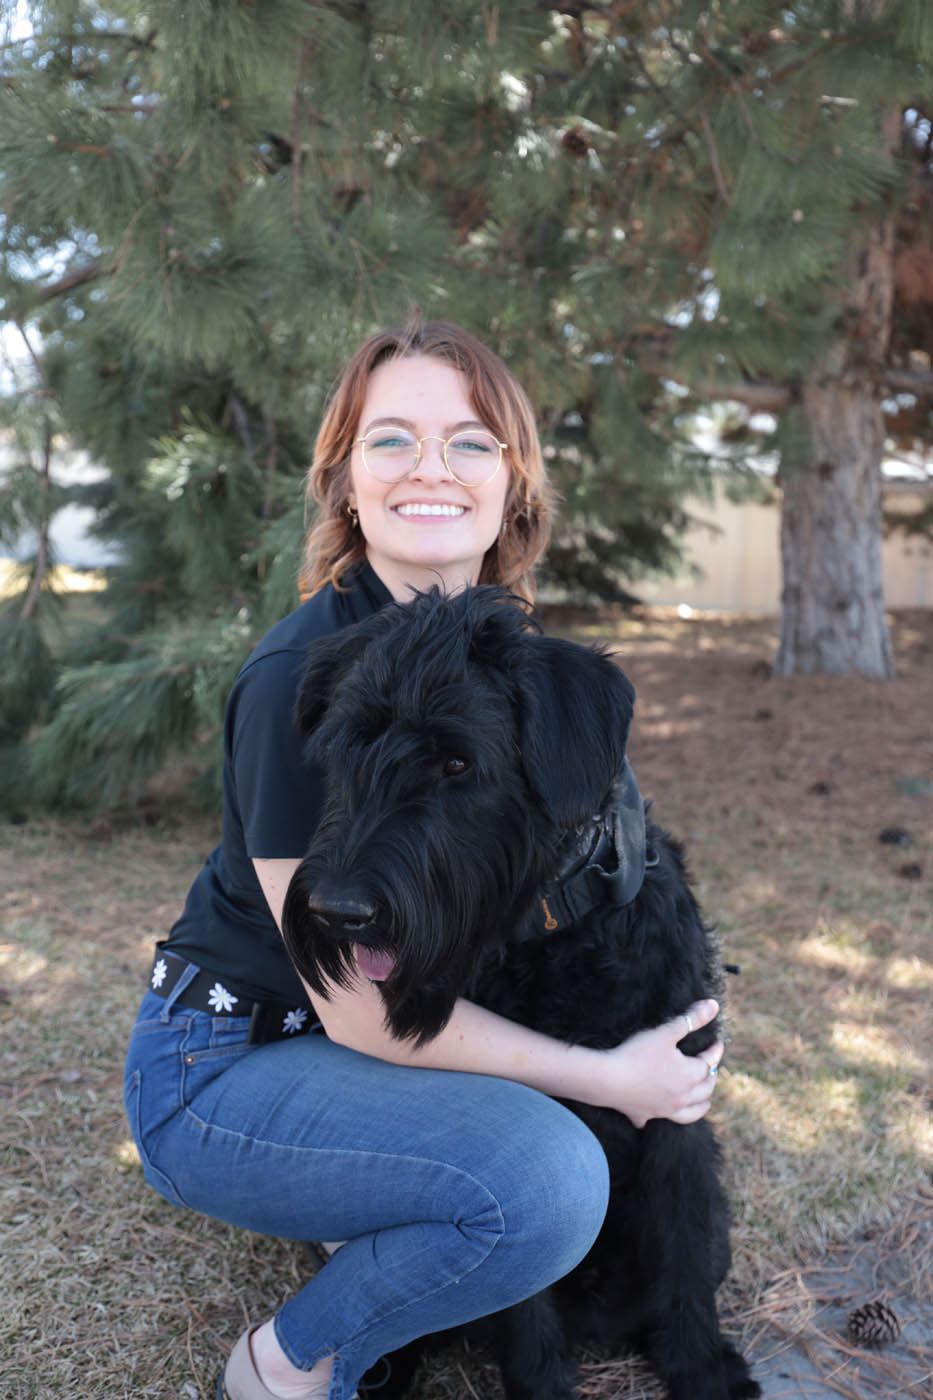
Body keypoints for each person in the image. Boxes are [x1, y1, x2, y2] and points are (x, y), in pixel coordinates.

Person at [124, 315, 724, 1400]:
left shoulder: (494, 648)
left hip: (364, 1035)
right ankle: (291, 1358)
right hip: (223, 1059)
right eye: (391, 439)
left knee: (553, 1160)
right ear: (346, 481)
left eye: (470, 441)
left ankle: (405, 1216)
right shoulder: (297, 676)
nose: (430, 467)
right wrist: (613, 1079)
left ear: (515, 484)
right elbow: (360, 1004)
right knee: (547, 1179)